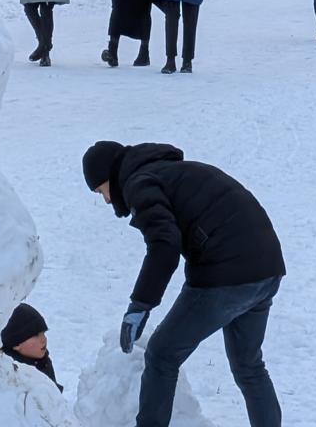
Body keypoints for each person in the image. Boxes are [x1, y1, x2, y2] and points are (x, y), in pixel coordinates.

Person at [82, 140, 284, 427]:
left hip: (226, 273)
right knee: (249, 366)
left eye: (101, 190)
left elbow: (164, 245)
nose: (105, 200)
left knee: (161, 355)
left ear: (109, 175)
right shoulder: (171, 172)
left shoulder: (139, 183)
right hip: (267, 266)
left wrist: (140, 305)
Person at [0, 303, 61, 389]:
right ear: (16, 344)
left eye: (43, 333)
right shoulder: (12, 376)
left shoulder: (43, 361)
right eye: (36, 335)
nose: (44, 339)